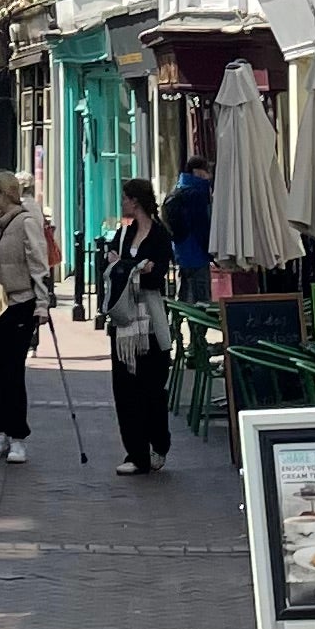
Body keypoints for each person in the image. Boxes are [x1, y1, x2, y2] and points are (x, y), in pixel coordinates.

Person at [0, 171, 55, 462]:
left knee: (12, 370)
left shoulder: (26, 222)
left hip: (22, 302)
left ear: (3, 193)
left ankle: (18, 435)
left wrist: (42, 304)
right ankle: (1, 432)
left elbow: (38, 262)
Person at [102, 180, 176, 475]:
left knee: (152, 387)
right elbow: (109, 268)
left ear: (135, 201)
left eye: (124, 198)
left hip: (151, 323)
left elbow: (156, 278)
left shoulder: (159, 236)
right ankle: (135, 453)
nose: (121, 203)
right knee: (125, 388)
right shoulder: (123, 233)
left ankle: (159, 445)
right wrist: (135, 268)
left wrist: (126, 267)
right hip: (123, 323)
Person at [163, 157, 213, 301]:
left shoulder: (176, 191)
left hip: (181, 252)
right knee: (202, 300)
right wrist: (210, 251)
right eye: (206, 171)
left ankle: (177, 322)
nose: (209, 176)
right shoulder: (196, 195)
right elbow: (202, 227)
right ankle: (197, 324)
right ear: (198, 172)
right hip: (198, 253)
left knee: (185, 295)